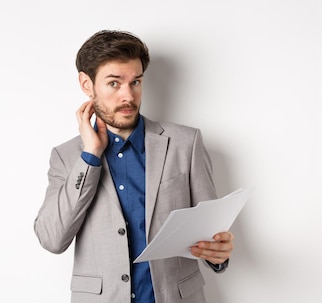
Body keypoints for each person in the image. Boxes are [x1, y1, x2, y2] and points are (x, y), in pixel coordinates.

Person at [34, 29, 233, 303]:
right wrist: (91, 155)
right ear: (87, 84)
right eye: (114, 83)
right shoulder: (67, 157)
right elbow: (52, 239)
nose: (128, 96)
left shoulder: (185, 143)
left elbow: (210, 232)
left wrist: (218, 253)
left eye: (136, 82)